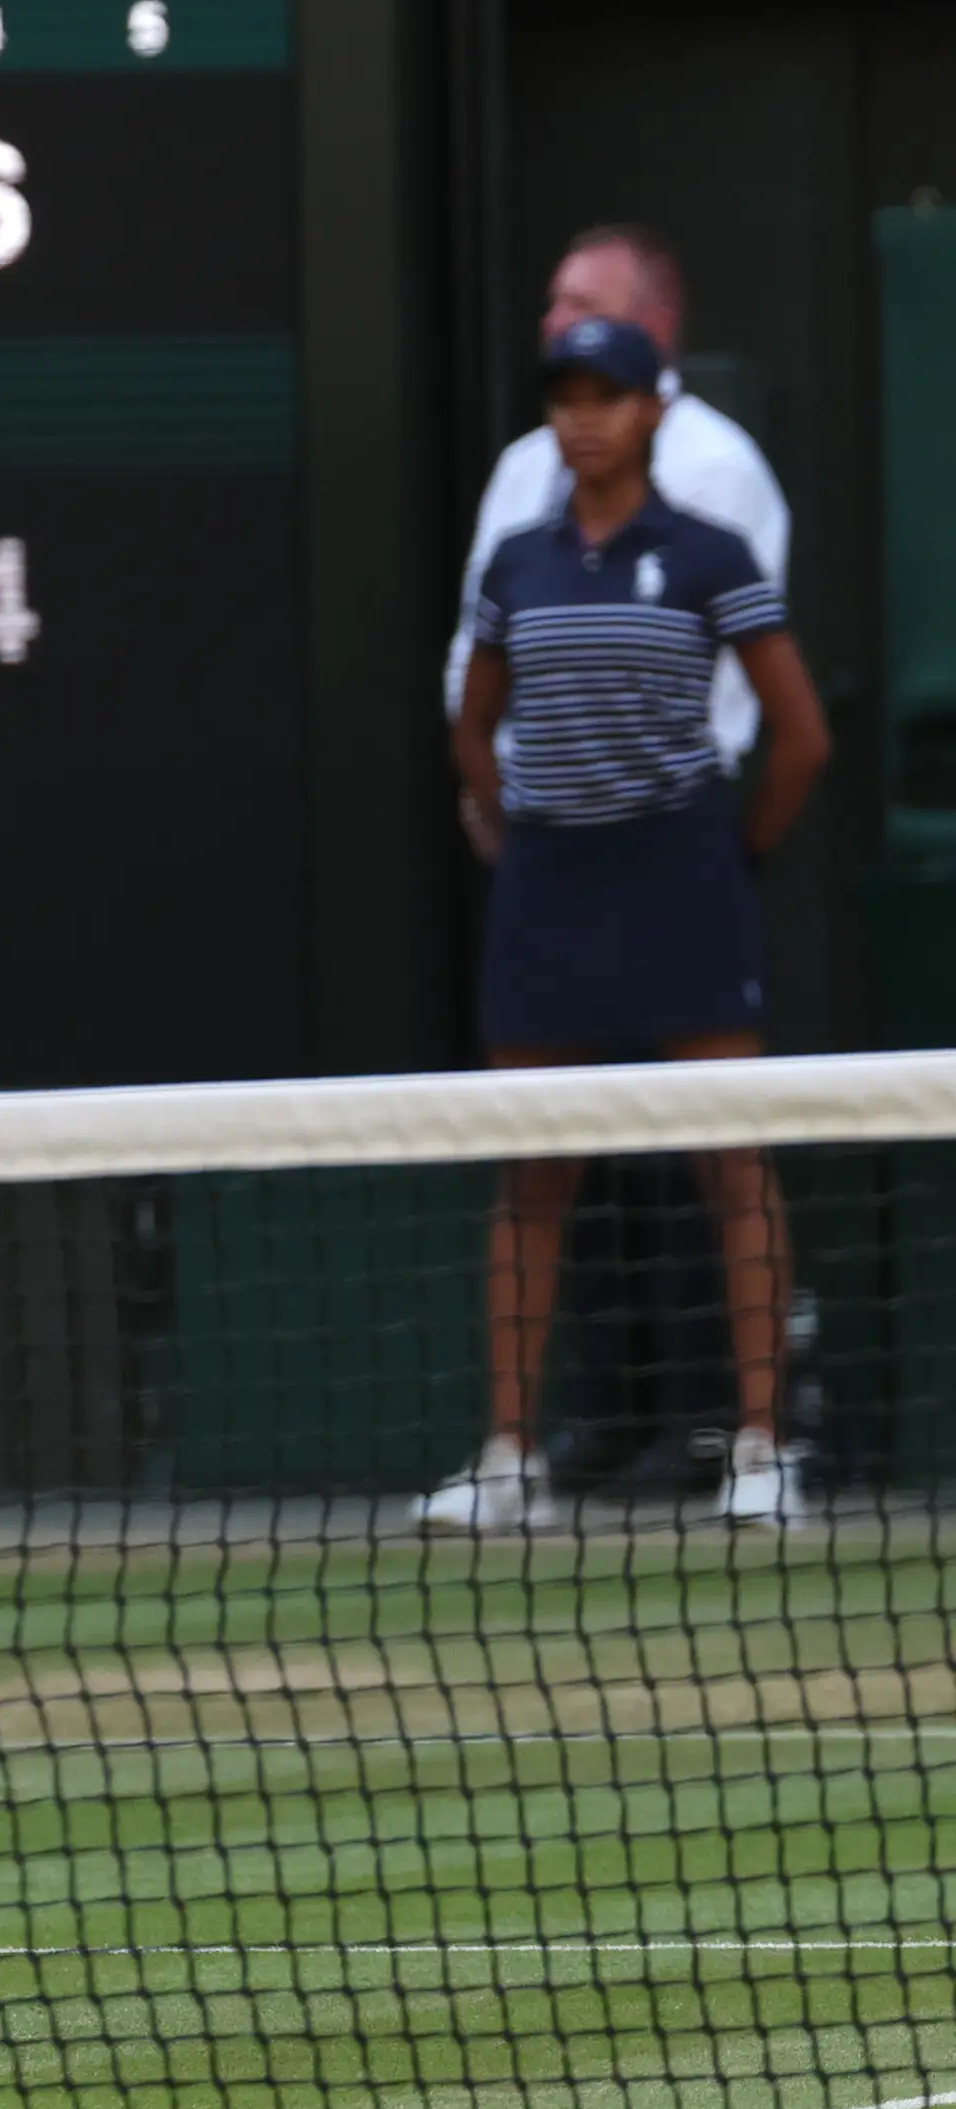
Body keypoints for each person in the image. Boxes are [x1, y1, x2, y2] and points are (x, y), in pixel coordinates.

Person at [415, 317, 829, 1535]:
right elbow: (472, 727)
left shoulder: (708, 555)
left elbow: (802, 738)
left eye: (607, 395)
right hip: (551, 890)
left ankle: (762, 1451)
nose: (584, 417)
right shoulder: (517, 566)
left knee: (732, 1162)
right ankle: (509, 1460)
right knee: (534, 1173)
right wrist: (521, 833)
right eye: (566, 397)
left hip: (682, 882)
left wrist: (730, 857)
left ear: (654, 409)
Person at [446, 225, 788, 803]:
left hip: (666, 811)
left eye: (581, 306)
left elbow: (728, 678)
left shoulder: (716, 466)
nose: (555, 323)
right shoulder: (522, 466)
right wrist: (487, 785)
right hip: (533, 811)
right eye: (553, 304)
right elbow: (475, 642)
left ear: (656, 327)